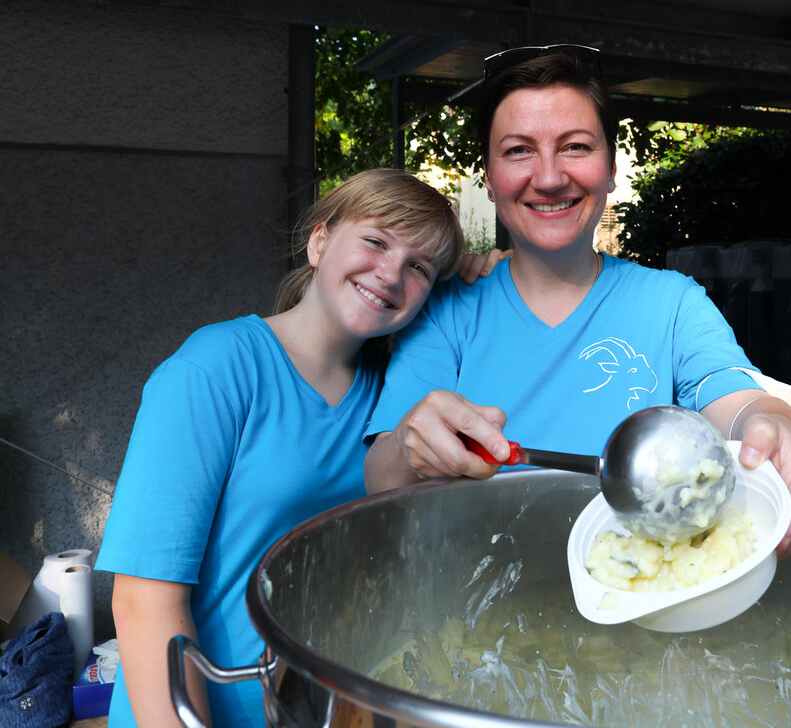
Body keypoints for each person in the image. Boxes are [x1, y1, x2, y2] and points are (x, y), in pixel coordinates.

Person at [364, 45, 791, 554]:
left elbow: (733, 398)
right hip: (475, 613)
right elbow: (382, 476)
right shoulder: (445, 313)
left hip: (641, 609)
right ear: (489, 180)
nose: (551, 177)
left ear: (610, 168)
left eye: (576, 146)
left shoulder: (671, 302)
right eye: (518, 150)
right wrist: (409, 446)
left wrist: (771, 424)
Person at [95, 168, 506, 728]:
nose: (390, 273)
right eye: (375, 241)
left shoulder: (393, 402)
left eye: (419, 267)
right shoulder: (214, 369)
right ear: (319, 241)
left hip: (313, 710)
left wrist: (500, 278)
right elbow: (144, 603)